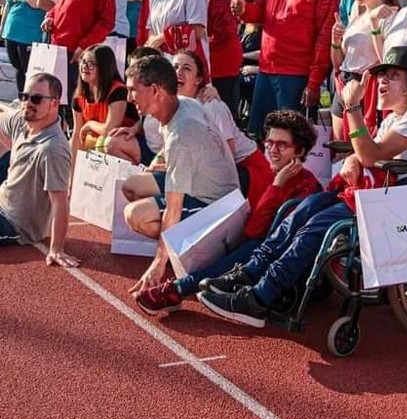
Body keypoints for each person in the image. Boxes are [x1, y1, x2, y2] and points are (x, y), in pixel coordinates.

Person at [196, 46, 407, 327]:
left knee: (318, 225)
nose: (382, 82)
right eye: (382, 76)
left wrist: (352, 108)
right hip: (378, 192)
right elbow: (366, 151)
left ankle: (259, 298)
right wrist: (354, 157)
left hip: (403, 200)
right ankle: (250, 273)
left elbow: (370, 153)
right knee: (303, 207)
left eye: (393, 76)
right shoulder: (396, 115)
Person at [134, 110, 321, 315]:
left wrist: (277, 186)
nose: (272, 150)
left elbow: (261, 234)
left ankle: (178, 289)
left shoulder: (306, 186)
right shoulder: (272, 175)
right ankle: (188, 286)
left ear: (300, 151)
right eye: (269, 142)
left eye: (282, 145)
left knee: (253, 246)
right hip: (259, 255)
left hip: (286, 269)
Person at [122, 55, 239, 292]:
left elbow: (174, 206)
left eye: (133, 90)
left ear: (155, 90)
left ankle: (189, 252)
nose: (129, 97)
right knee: (131, 186)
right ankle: (174, 245)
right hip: (206, 183)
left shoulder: (181, 136)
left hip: (216, 207)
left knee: (135, 215)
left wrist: (158, 261)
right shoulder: (185, 103)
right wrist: (160, 161)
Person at [232, 0, 340, 136]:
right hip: (267, 69)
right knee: (259, 135)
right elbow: (262, 8)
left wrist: (314, 83)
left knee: (289, 141)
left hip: (295, 75)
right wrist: (244, 8)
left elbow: (324, 37)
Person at [171, 50, 270, 208]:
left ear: (198, 79)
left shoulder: (211, 106)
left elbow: (227, 154)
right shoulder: (176, 103)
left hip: (247, 168)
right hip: (213, 164)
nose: (178, 73)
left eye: (186, 68)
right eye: (175, 67)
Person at [0, 73, 77, 267]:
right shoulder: (22, 121)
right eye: (25, 96)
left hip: (15, 223)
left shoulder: (53, 149)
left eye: (36, 99)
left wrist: (56, 248)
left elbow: (60, 201)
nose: (27, 103)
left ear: (54, 103)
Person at [330, 0, 392, 140]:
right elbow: (338, 62)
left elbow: (386, 59)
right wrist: (335, 40)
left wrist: (374, 25)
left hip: (366, 89)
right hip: (343, 85)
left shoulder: (388, 15)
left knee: (360, 148)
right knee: (340, 150)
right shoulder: (358, 15)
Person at [70, 45, 138, 171]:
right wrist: (72, 174)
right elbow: (77, 134)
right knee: (76, 143)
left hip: (122, 143)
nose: (84, 67)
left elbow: (109, 129)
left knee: (104, 142)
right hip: (96, 144)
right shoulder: (79, 96)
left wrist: (90, 124)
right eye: (83, 62)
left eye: (91, 64)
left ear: (103, 67)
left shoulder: (118, 91)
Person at [193, 0, 242, 118]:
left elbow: (225, 32)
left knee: (223, 115)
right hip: (210, 59)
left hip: (222, 61)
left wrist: (198, 49)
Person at [1, 0, 46, 94]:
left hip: (28, 35)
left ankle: (30, 97)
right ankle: (21, 97)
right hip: (11, 32)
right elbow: (8, 6)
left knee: (28, 68)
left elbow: (34, 3)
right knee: (17, 67)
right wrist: (2, 27)